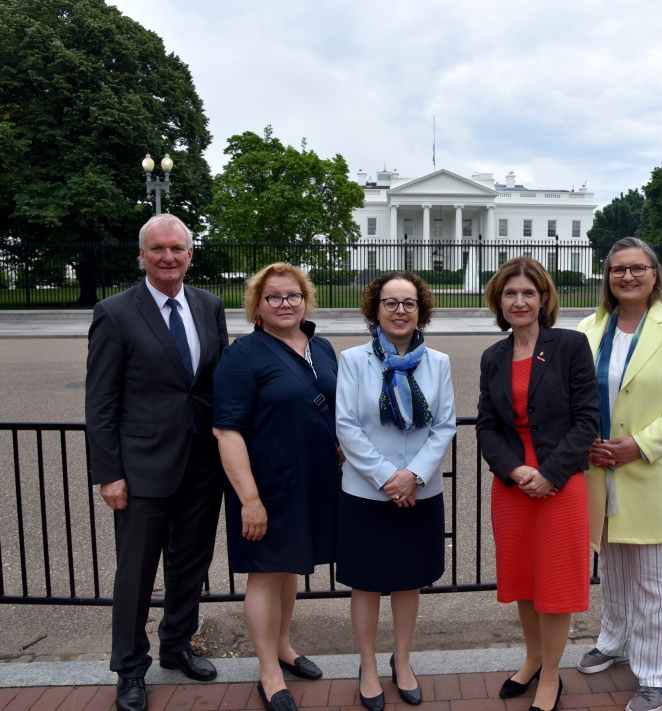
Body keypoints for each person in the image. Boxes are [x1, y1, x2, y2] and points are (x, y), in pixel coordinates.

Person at [85, 214, 228, 711]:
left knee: (191, 564)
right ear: (142, 255)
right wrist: (108, 473)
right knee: (136, 574)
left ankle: (177, 644)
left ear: (191, 254)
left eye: (177, 248)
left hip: (202, 465)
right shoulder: (116, 312)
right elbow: (101, 401)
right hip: (142, 468)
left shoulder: (210, 306)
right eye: (158, 249)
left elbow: (216, 384)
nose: (169, 257)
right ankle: (129, 668)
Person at [576, 237, 662, 711]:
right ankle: (614, 640)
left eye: (637, 269)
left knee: (656, 582)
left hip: (652, 471)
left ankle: (657, 674)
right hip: (600, 470)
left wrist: (639, 445)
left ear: (655, 274)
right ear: (607, 277)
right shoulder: (590, 328)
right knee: (612, 569)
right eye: (617, 270)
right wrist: (583, 440)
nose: (627, 277)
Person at [213, 263, 340, 711]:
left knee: (290, 569)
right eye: (274, 297)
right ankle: (268, 672)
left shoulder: (322, 347)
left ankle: (284, 646)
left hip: (313, 480)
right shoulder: (243, 355)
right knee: (266, 573)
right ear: (258, 306)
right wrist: (249, 499)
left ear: (305, 300)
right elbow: (226, 431)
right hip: (266, 485)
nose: (285, 304)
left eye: (293, 295)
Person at [476, 257, 599, 711]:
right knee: (524, 576)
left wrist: (549, 473)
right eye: (510, 294)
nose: (519, 301)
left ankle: (551, 675)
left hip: (559, 481)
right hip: (512, 484)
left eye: (528, 293)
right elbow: (487, 425)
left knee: (554, 579)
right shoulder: (494, 356)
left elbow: (588, 419)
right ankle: (531, 657)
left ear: (544, 298)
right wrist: (514, 470)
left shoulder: (570, 345)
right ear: (499, 301)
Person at [335, 272, 456, 710]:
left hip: (419, 493)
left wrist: (414, 475)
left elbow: (443, 426)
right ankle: (367, 665)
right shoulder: (352, 360)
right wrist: (388, 477)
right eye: (391, 302)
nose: (400, 310)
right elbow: (346, 425)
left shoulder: (438, 363)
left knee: (408, 583)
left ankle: (402, 661)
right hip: (366, 493)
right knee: (365, 584)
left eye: (409, 303)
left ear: (420, 309)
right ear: (375, 308)